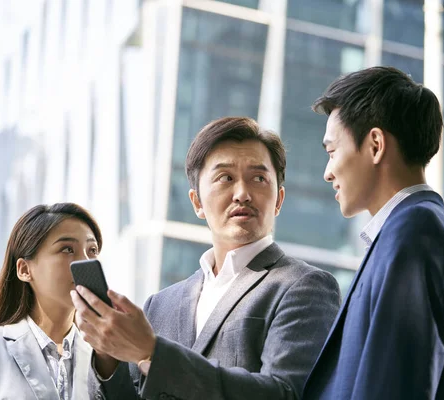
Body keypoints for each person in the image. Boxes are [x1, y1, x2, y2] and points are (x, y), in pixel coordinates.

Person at [71, 117, 341, 399]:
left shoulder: (304, 286)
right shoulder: (161, 304)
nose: (242, 194)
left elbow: (285, 394)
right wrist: (107, 353)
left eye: (259, 178)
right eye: (225, 178)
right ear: (197, 202)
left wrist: (153, 352)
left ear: (279, 200)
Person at [302, 66, 444, 399]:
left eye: (332, 151)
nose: (327, 172)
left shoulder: (413, 233)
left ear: (376, 145)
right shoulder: (428, 229)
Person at [0, 203, 105, 399]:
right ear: (24, 270)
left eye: (92, 250)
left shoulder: (105, 363)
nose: (85, 261)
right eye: (67, 249)